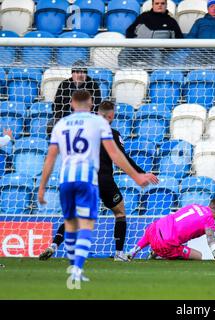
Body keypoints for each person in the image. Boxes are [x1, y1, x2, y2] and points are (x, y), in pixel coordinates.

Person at [38, 90, 157, 284]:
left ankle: (54, 245)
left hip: (76, 177)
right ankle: (118, 252)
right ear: (111, 116)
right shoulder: (110, 132)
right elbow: (121, 157)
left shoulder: (76, 128)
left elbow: (53, 155)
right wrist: (139, 174)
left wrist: (42, 187)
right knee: (120, 213)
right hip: (103, 180)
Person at [127, 198, 215, 261]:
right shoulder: (209, 219)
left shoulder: (195, 205)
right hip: (166, 244)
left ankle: (133, 251)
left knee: (158, 231)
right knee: (198, 256)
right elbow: (210, 238)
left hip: (154, 228)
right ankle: (160, 254)